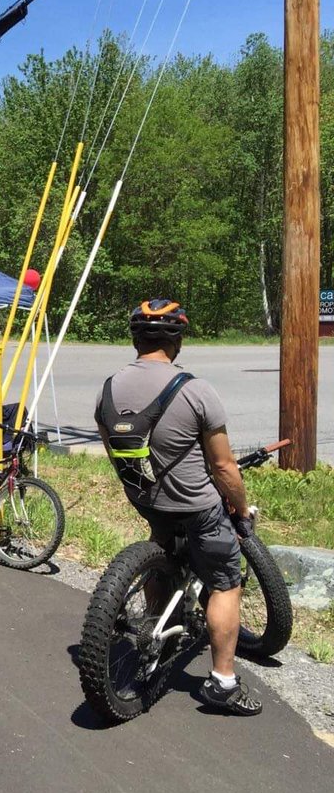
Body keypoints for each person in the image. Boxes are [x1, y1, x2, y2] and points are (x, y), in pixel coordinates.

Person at [95, 299, 261, 716]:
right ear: (177, 341)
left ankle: (158, 623)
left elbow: (114, 452)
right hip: (196, 506)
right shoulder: (195, 389)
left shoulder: (109, 388)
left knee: (163, 552)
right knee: (225, 582)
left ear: (135, 340)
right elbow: (223, 466)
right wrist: (241, 510)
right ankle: (223, 683)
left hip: (147, 501)